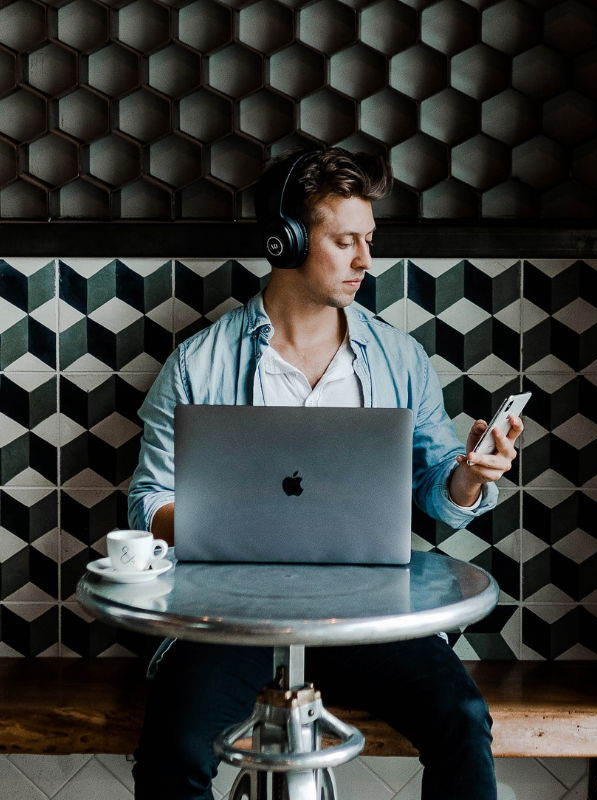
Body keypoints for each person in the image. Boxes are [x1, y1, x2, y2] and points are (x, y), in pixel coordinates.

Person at [127, 147, 523, 800]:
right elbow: (149, 502)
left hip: (370, 615)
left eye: (368, 240)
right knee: (173, 750)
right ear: (284, 241)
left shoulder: (400, 358)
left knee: (462, 719)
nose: (366, 261)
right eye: (345, 242)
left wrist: (471, 477)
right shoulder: (198, 363)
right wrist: (226, 529)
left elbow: (435, 496)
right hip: (234, 618)